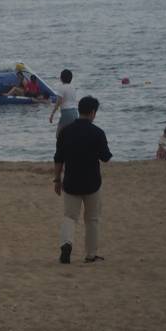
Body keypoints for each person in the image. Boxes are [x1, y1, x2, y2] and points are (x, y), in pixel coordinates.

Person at [53, 95, 111, 264]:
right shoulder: (98, 133)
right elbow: (106, 158)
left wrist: (57, 179)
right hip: (92, 182)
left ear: (79, 110)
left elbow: (58, 159)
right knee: (92, 219)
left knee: (70, 217)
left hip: (71, 181)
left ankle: (66, 243)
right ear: (93, 112)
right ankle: (91, 255)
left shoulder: (66, 132)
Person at [48, 69, 77, 135]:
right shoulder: (73, 87)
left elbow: (58, 102)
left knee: (58, 134)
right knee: (72, 133)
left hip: (66, 112)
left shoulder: (61, 87)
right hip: (75, 112)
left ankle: (62, 145)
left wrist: (52, 114)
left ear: (61, 78)